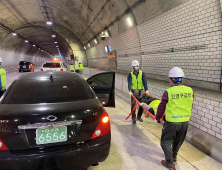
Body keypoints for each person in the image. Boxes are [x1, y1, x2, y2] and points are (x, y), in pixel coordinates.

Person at [155, 67, 194, 170]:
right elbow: (190, 104)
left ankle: (169, 163)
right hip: (185, 121)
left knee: (165, 142)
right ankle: (174, 156)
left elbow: (161, 107)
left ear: (171, 79)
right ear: (182, 79)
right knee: (178, 140)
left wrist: (157, 118)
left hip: (172, 122)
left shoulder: (168, 92)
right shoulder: (189, 90)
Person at [127, 60, 148, 124]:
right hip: (134, 91)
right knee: (133, 104)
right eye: (133, 67)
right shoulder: (130, 74)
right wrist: (130, 90)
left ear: (138, 66)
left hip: (141, 90)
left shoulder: (142, 73)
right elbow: (129, 83)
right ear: (132, 67)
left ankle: (139, 116)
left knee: (142, 104)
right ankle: (133, 118)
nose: (135, 68)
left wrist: (146, 90)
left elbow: (145, 82)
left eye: (136, 66)